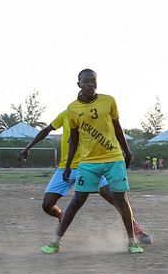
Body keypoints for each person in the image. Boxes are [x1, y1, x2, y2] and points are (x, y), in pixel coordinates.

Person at [34, 69, 145, 254]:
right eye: (86, 82)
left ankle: (132, 241)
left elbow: (118, 128)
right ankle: (55, 242)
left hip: (113, 158)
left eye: (93, 81)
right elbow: (74, 139)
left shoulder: (108, 100)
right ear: (78, 84)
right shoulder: (72, 109)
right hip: (88, 162)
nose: (90, 85)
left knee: (120, 199)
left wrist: (127, 151)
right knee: (77, 200)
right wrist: (68, 165)